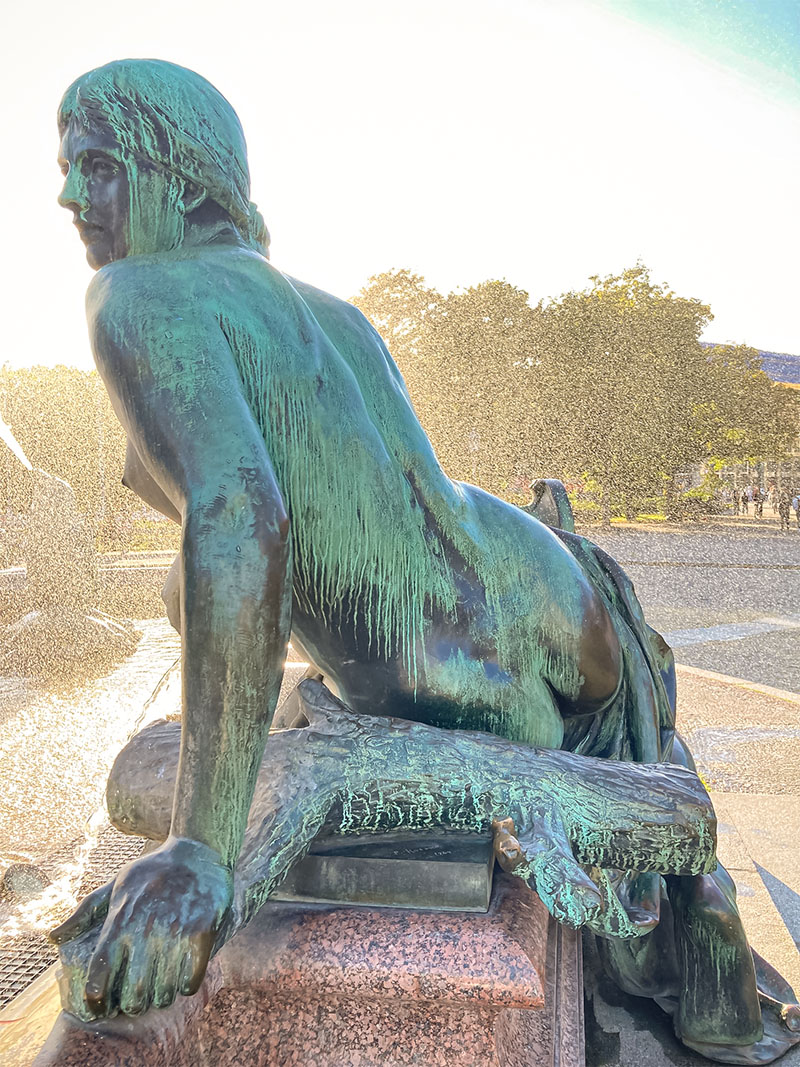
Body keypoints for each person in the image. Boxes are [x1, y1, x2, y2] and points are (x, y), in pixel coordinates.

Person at [51, 60, 799, 1061]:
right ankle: (640, 809)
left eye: (95, 166)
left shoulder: (135, 293)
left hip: (452, 690)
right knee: (223, 742)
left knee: (145, 773)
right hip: (539, 581)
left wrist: (199, 846)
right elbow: (291, 530)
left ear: (183, 182)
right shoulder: (325, 310)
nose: (68, 196)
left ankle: (652, 821)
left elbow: (241, 521)